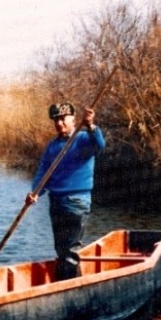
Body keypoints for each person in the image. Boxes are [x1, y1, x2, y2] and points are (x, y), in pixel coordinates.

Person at [26, 102, 106, 280]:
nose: (59, 123)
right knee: (61, 250)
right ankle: (67, 283)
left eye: (63, 118)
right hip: (56, 202)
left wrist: (91, 125)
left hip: (76, 202)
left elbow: (99, 146)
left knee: (70, 251)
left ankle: (71, 288)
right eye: (56, 120)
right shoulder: (53, 146)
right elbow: (43, 173)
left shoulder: (84, 139)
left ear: (73, 119)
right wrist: (35, 193)